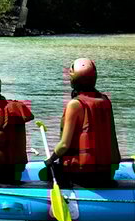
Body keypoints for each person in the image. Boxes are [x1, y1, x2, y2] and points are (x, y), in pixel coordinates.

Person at [49, 58, 121, 186]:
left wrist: (50, 159)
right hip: (105, 172)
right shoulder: (105, 101)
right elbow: (112, 137)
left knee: (48, 171)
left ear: (72, 79)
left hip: (80, 174)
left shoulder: (75, 104)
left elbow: (64, 145)